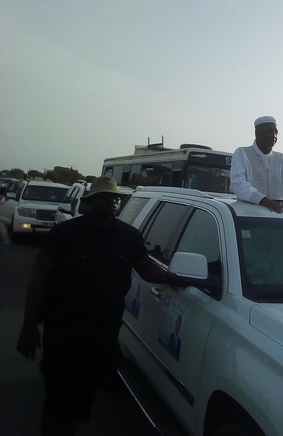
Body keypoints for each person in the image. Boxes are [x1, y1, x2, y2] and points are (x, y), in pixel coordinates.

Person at [15, 176, 173, 435]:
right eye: (105, 197)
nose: (112, 202)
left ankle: (73, 419)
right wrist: (29, 325)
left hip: (103, 333)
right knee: (58, 394)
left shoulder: (129, 237)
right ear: (91, 202)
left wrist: (176, 278)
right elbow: (39, 279)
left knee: (88, 389)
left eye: (116, 198)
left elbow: (146, 267)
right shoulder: (65, 233)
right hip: (64, 331)